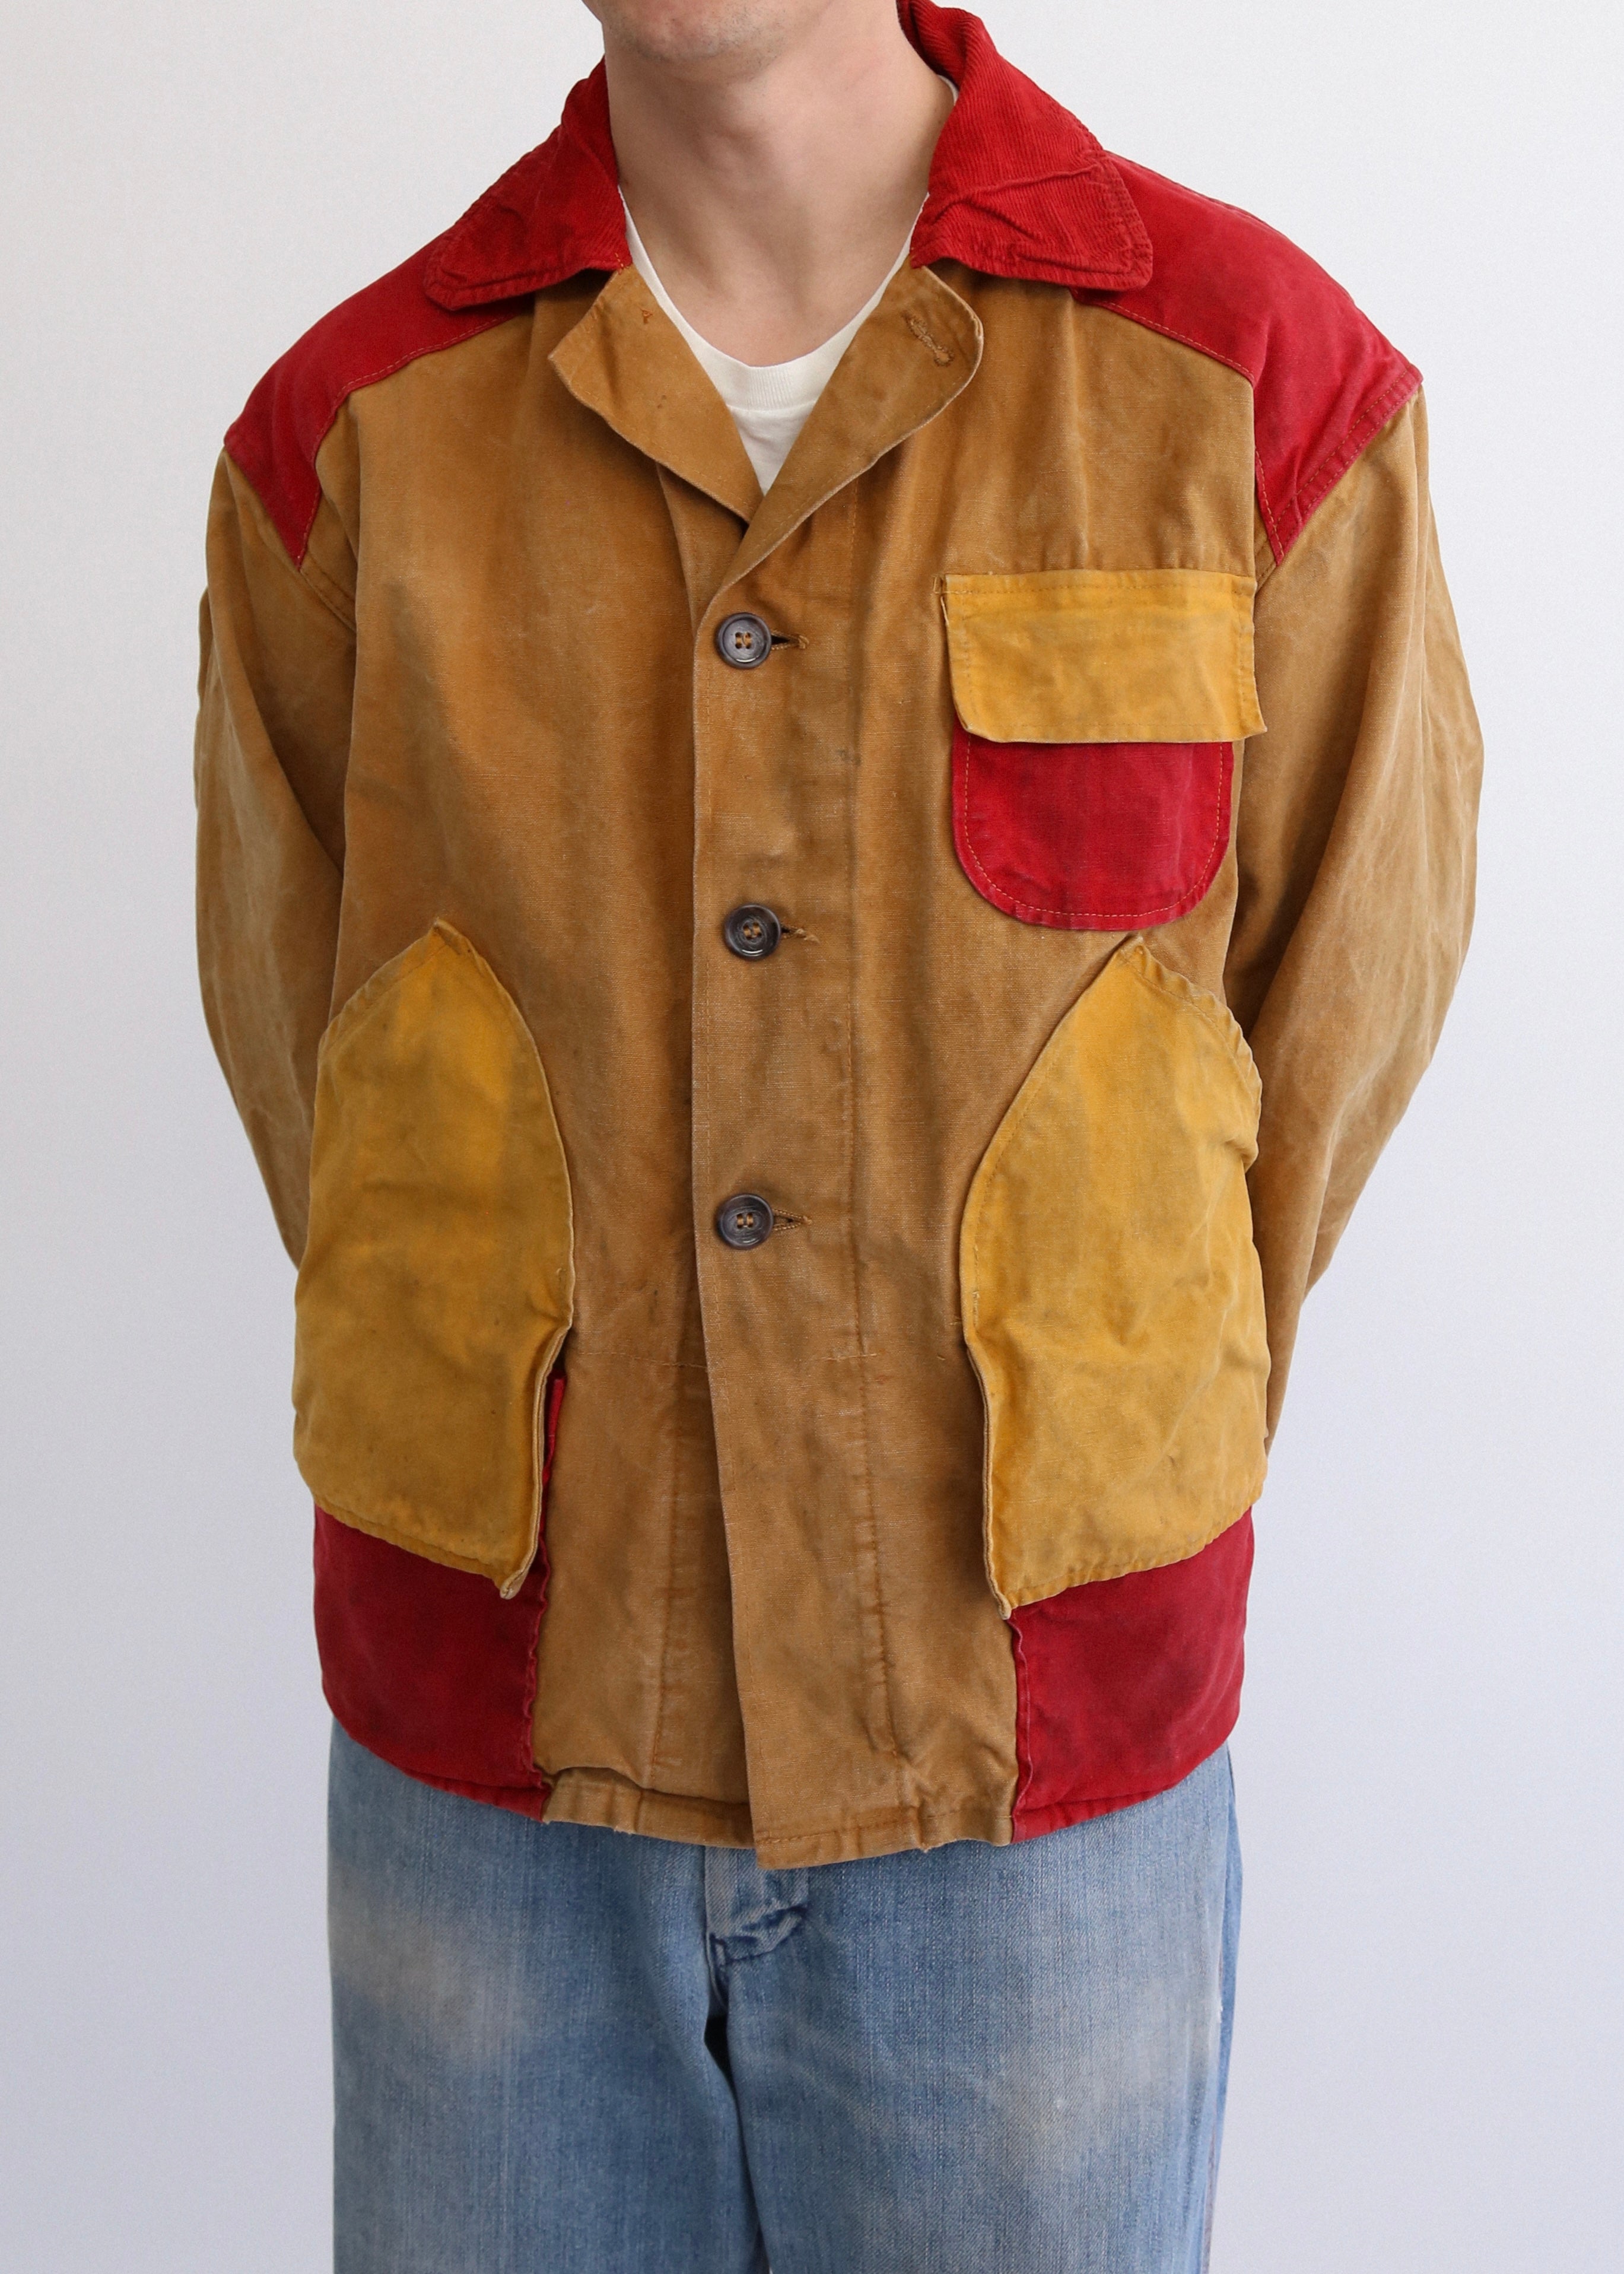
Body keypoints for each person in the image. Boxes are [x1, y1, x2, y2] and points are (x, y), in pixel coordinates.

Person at [193, 0, 1481, 2265]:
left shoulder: (1251, 388)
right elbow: (310, 1050)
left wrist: (1099, 1406)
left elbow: (1334, 1012)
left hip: (1031, 1767)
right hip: (495, 1760)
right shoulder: (355, 431)